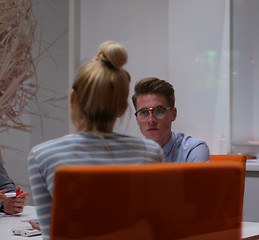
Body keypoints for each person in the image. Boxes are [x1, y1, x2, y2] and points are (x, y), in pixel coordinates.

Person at [27, 41, 164, 240]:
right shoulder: (150, 152)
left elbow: (52, 234)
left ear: (72, 99)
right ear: (123, 109)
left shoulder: (42, 156)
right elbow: (155, 228)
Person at [132, 77, 209, 162]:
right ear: (137, 119)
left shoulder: (193, 150)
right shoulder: (130, 154)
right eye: (143, 113)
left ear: (173, 114)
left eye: (158, 111)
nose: (151, 120)